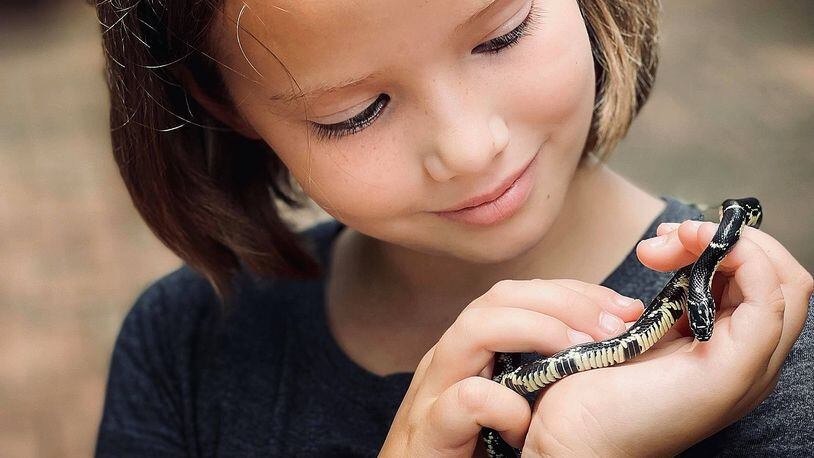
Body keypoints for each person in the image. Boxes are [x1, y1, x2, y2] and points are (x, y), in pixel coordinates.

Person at [91, 0, 814, 456]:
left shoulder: (766, 357)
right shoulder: (184, 345)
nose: (471, 149)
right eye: (356, 112)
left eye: (503, 35)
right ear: (221, 101)